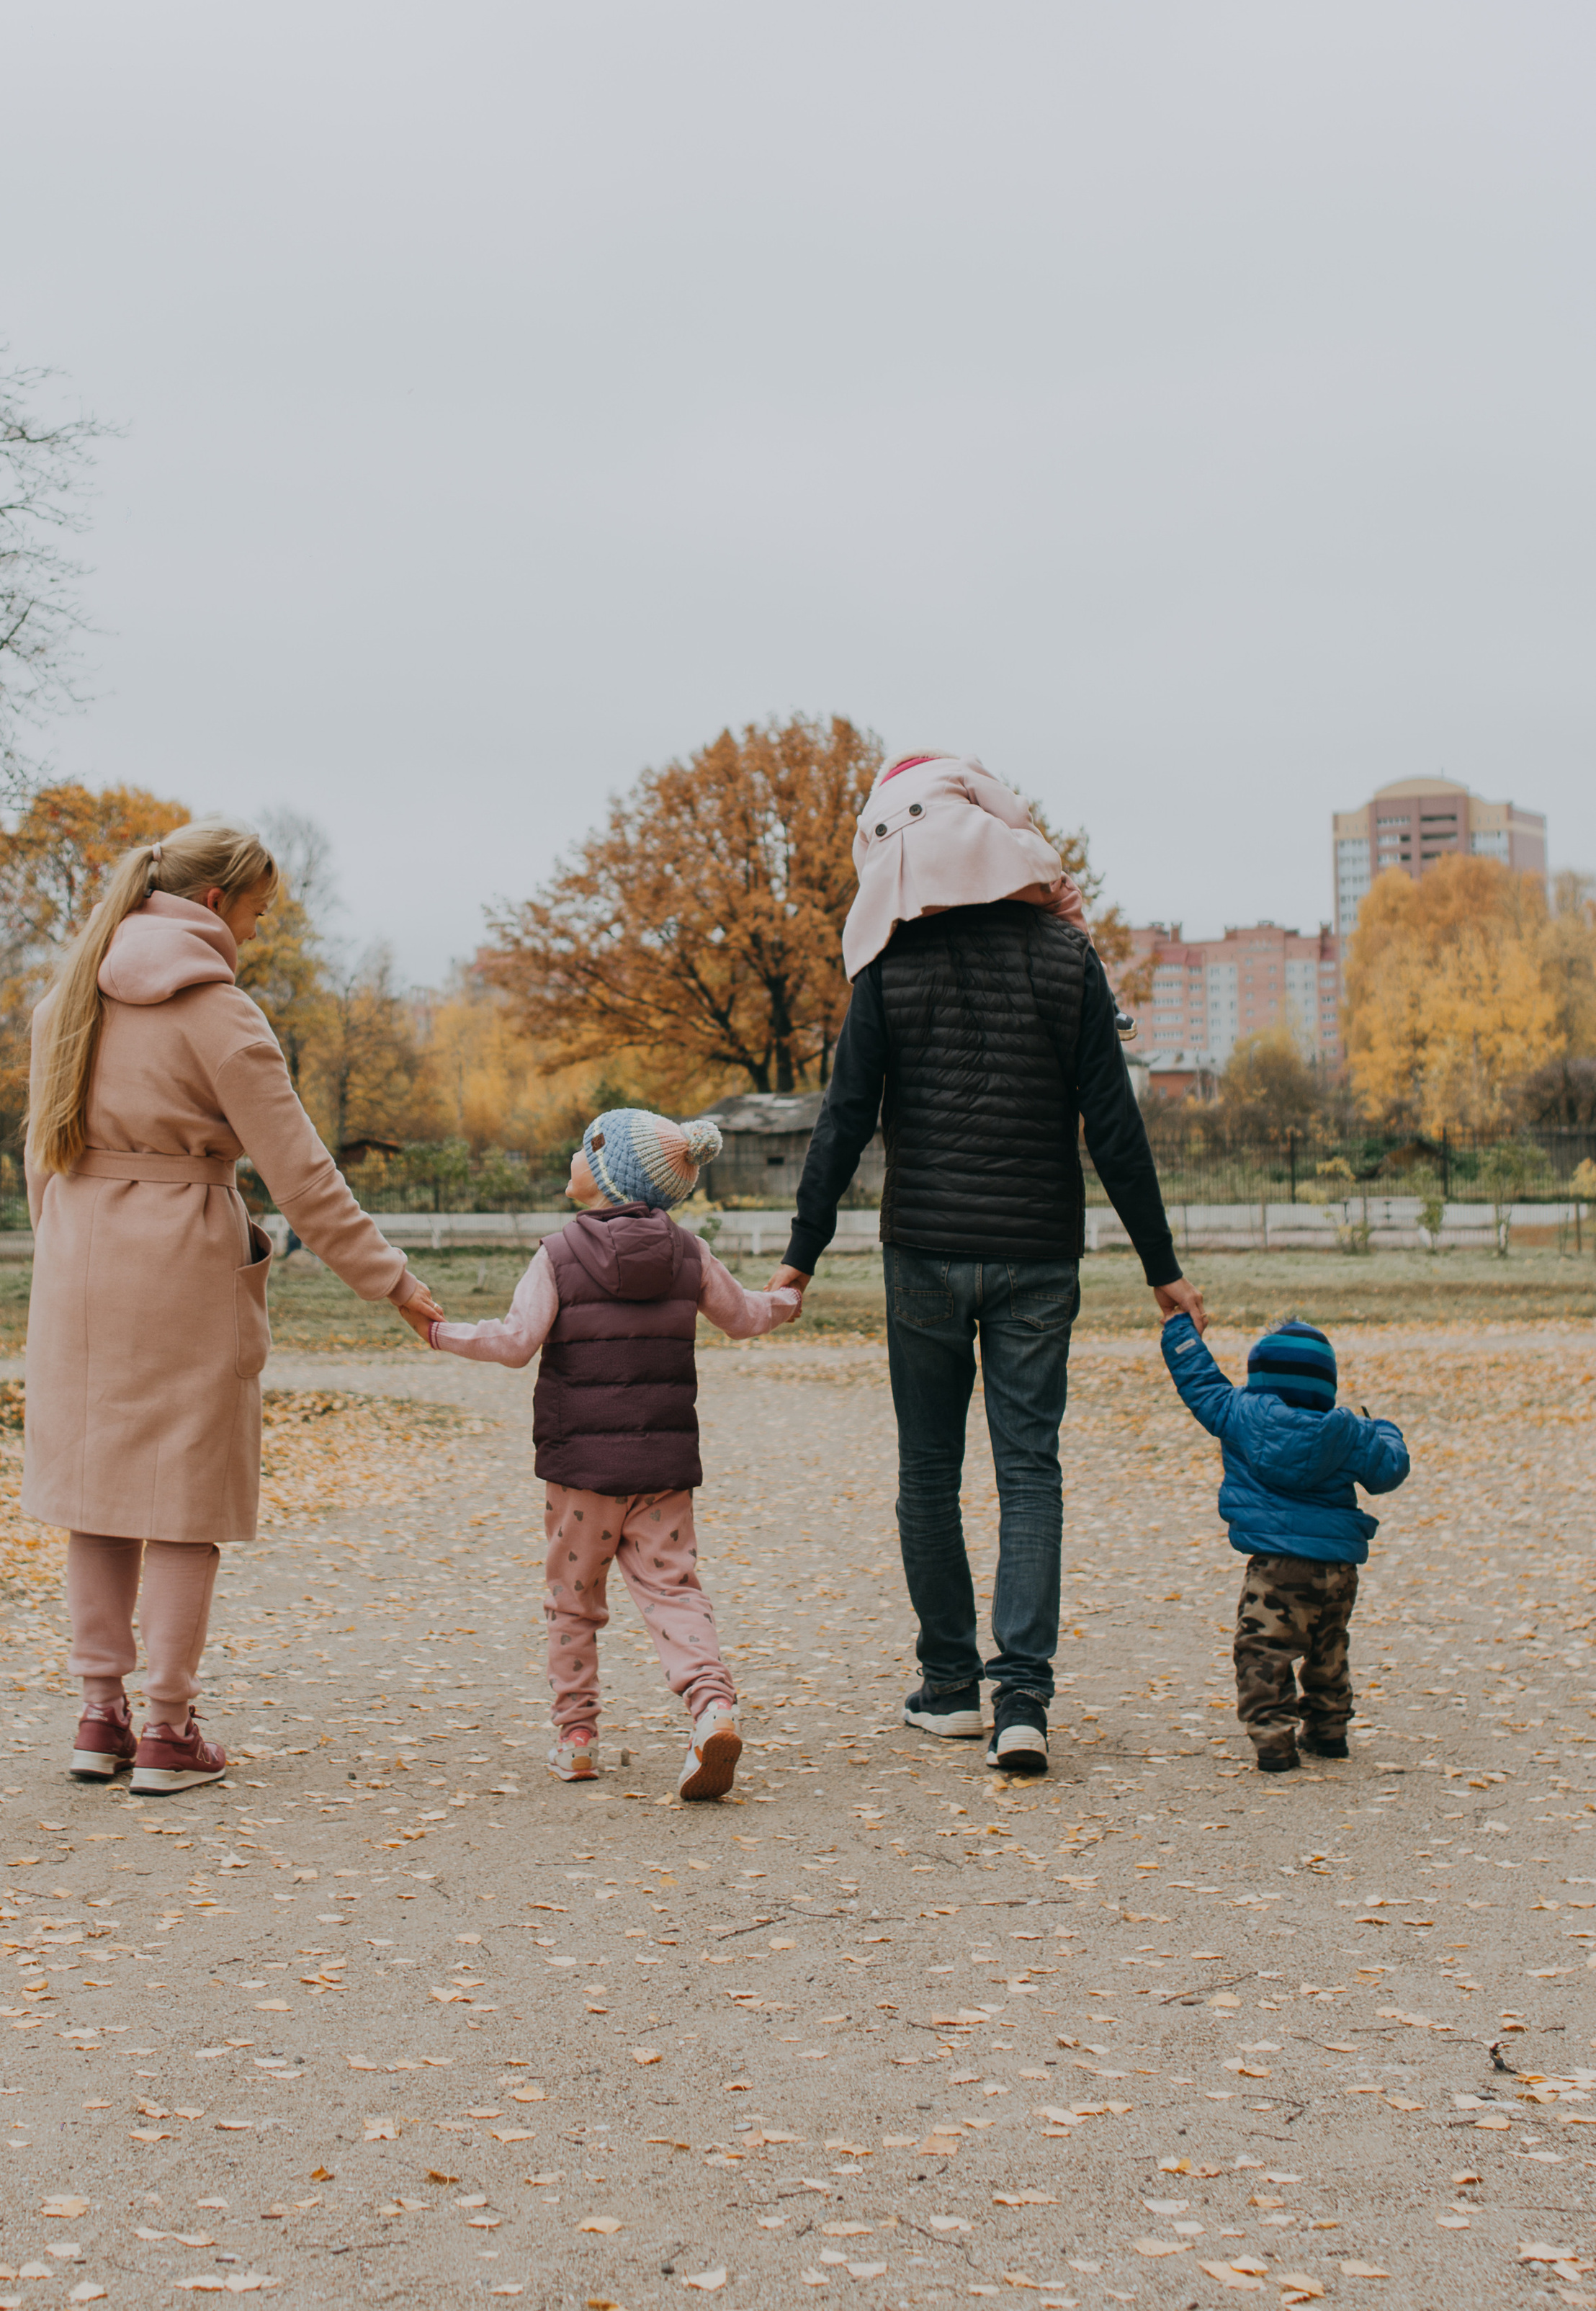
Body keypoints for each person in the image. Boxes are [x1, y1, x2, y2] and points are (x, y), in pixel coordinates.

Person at [770, 750, 1203, 1777]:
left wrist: (800, 1256)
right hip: (1037, 1257)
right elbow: (1116, 1129)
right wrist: (1162, 1269)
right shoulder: (1066, 961)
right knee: (1028, 1471)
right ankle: (1024, 1701)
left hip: (923, 1249)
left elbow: (842, 1124)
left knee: (928, 1470)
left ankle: (950, 1686)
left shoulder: (888, 962)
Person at [23, 822, 442, 1796]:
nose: (253, 934)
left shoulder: (66, 996)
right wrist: (390, 1279)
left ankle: (99, 1717)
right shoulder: (219, 1014)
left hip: (77, 1255)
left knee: (95, 1493)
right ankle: (168, 1729)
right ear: (216, 905)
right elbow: (303, 1176)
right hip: (178, 1263)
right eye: (255, 914)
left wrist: (63, 1238)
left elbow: (40, 1153)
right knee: (181, 1498)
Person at [423, 1107, 799, 1801]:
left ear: (602, 1171)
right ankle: (712, 1707)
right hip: (662, 1474)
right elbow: (745, 1317)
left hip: (580, 1477)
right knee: (673, 1590)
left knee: (573, 1601)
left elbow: (513, 1343)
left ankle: (576, 1740)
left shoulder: (560, 1254)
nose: (572, 1154)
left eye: (582, 1146)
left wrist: (442, 1332)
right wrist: (783, 1301)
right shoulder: (691, 1252)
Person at [1161, 1313, 1409, 1771]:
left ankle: (1274, 1738)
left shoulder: (1239, 1413)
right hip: (1337, 1567)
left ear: (1260, 1377)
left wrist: (1179, 1330)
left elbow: (1198, 1381)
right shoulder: (1351, 1432)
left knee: (1261, 1650)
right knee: (1328, 1645)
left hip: (1276, 1567)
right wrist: (1384, 1429)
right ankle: (1329, 1731)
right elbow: (1390, 1470)